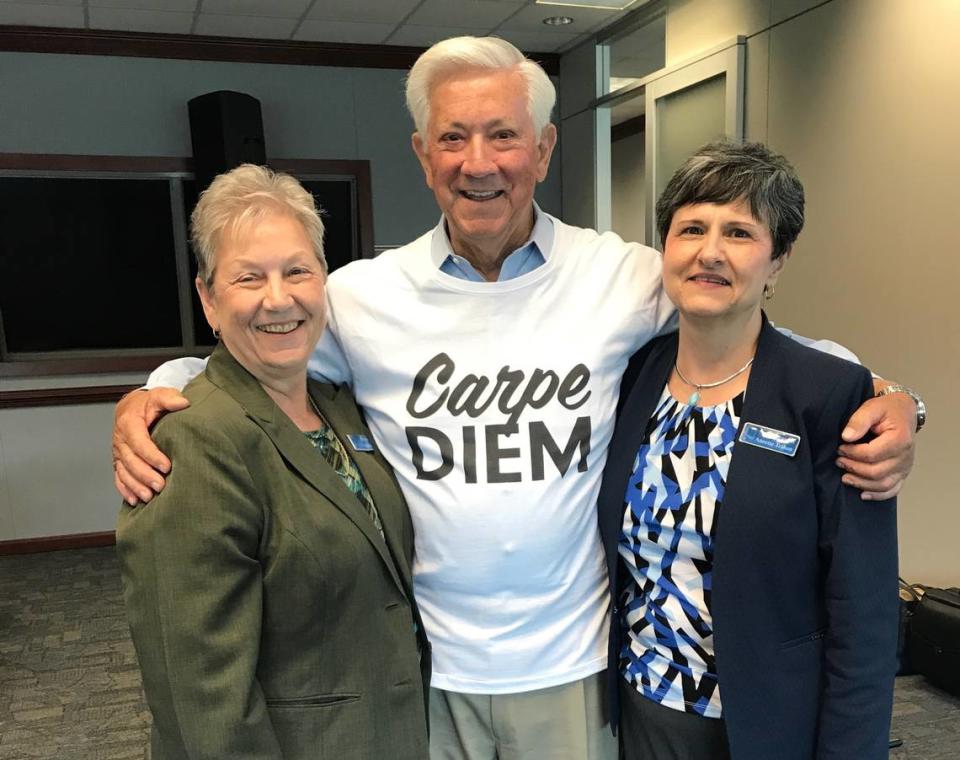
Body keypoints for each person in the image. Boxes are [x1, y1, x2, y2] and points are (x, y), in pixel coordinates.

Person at [112, 38, 919, 760]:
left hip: (576, 667)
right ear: (423, 156)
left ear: (542, 147)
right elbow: (257, 353)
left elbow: (760, 338)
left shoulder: (623, 277)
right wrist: (156, 393)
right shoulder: (361, 298)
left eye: (503, 135)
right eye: (454, 138)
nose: (480, 161)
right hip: (427, 670)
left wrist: (894, 397)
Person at [116, 164, 429, 760]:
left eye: (297, 271)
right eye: (248, 278)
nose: (278, 298)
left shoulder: (338, 409)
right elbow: (201, 699)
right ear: (209, 299)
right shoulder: (191, 443)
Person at [597, 141, 899, 759]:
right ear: (666, 249)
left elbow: (863, 617)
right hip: (641, 711)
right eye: (691, 229)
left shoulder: (827, 395)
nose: (710, 252)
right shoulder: (631, 377)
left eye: (739, 232)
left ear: (778, 260)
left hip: (768, 726)